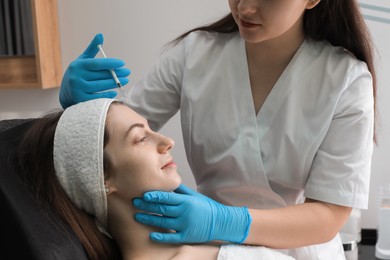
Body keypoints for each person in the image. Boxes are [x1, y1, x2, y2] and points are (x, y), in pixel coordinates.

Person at [59, 0, 376, 259]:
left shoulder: (345, 81)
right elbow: (119, 136)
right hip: (205, 247)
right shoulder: (196, 53)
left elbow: (328, 215)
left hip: (295, 251)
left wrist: (223, 221)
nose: (246, 8)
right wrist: (82, 110)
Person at [14, 99, 294, 260]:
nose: (167, 141)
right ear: (101, 179)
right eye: (140, 138)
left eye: (152, 129)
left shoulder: (207, 247)